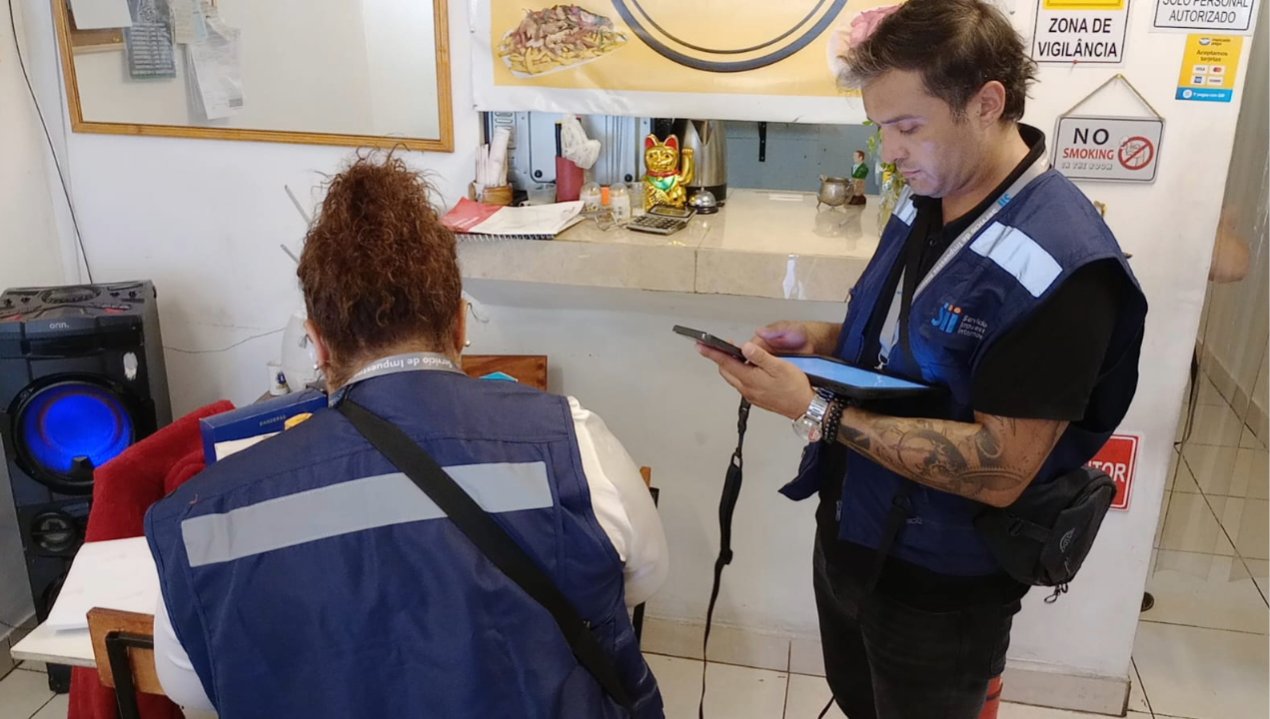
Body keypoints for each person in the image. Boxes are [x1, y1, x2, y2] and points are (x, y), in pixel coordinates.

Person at [696, 2, 1147, 718]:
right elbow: (916, 341)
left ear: (986, 103)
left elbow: (1002, 467)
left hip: (941, 585)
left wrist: (814, 408)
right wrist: (821, 341)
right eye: (880, 129)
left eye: (908, 127)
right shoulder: (927, 196)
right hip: (853, 524)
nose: (891, 151)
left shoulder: (1063, 264)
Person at [145, 154, 668, 718]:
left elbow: (189, 689)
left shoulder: (202, 521)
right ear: (460, 324)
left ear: (316, 345)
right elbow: (643, 578)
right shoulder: (572, 445)